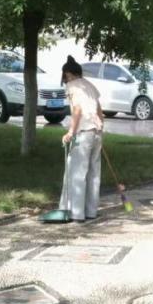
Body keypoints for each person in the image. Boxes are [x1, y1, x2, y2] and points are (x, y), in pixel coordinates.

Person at [58, 56, 105, 222]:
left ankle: (76, 213)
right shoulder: (89, 85)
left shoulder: (72, 86)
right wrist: (100, 128)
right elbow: (99, 111)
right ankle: (91, 211)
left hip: (84, 132)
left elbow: (77, 110)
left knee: (77, 171)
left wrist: (71, 132)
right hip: (97, 132)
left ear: (68, 74)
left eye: (65, 76)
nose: (66, 80)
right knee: (94, 173)